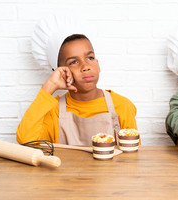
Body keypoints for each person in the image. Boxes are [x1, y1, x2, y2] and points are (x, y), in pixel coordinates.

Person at [16, 15, 137, 145]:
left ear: (98, 64)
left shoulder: (122, 106)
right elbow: (25, 139)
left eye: (90, 58)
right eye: (73, 62)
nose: (85, 67)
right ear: (61, 72)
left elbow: (132, 157)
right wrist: (50, 86)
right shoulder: (53, 112)